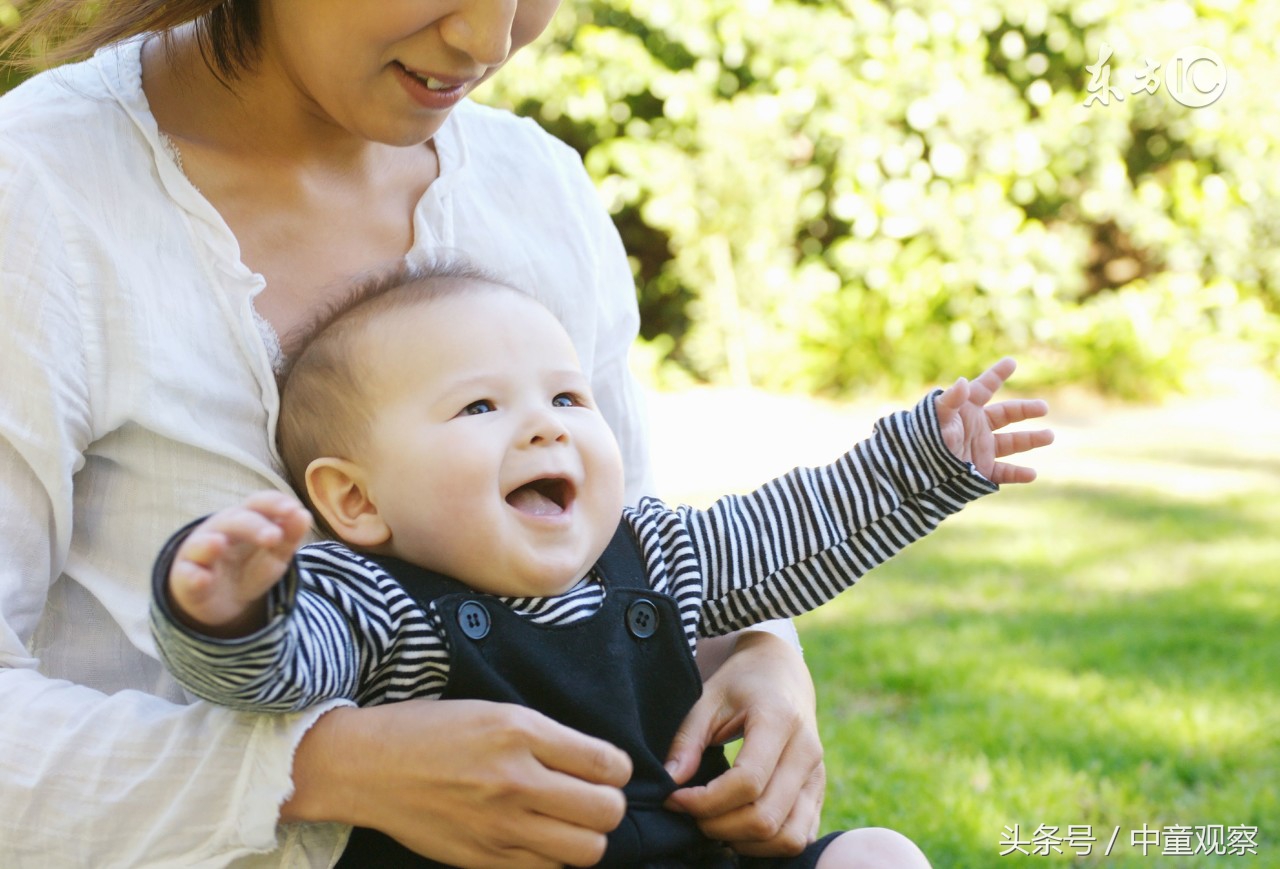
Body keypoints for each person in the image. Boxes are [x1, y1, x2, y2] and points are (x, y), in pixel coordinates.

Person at [0, 2, 832, 866]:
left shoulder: (534, 184)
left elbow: (625, 539)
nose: (491, 40)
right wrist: (319, 770)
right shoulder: (34, 188)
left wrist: (763, 656)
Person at [150, 264, 1053, 867]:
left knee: (878, 855)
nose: (545, 424)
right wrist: (233, 607)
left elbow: (795, 531)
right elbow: (276, 673)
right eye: (477, 407)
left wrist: (925, 460)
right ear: (357, 502)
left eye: (567, 395)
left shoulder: (653, 550)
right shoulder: (382, 603)